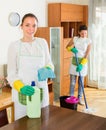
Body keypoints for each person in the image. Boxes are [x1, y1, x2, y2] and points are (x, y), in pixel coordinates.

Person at [7, 13, 54, 120]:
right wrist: (20, 86)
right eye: (27, 25)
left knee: (42, 122)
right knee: (22, 124)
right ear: (21, 27)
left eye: (34, 25)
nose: (31, 29)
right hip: (22, 94)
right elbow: (11, 73)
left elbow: (49, 63)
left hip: (41, 90)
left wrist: (47, 69)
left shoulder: (42, 43)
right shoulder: (14, 46)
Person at [66, 25, 91, 105]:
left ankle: (79, 98)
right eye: (82, 33)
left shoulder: (88, 41)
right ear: (79, 32)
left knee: (81, 82)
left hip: (82, 63)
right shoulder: (75, 39)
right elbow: (67, 47)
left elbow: (87, 54)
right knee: (72, 82)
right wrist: (71, 49)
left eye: (85, 33)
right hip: (74, 62)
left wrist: (81, 65)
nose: (84, 35)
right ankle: (71, 98)